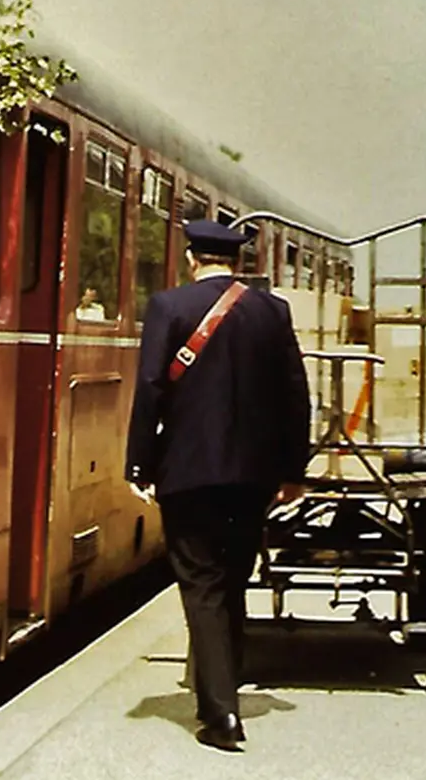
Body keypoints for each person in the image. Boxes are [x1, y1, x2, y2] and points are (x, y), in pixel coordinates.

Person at [125, 220, 311, 752]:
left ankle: (222, 713)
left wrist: (138, 466)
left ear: (191, 259)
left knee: (201, 587)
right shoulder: (272, 311)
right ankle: (227, 684)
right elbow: (295, 396)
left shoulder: (169, 307)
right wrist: (293, 471)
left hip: (187, 474)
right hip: (253, 477)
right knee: (231, 582)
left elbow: (151, 390)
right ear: (236, 263)